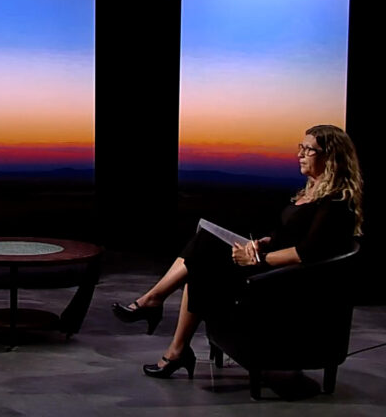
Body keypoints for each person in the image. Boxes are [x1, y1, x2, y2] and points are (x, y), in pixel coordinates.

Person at [112, 124, 364, 379]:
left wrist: (257, 258)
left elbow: (306, 253)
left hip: (282, 282)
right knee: (203, 249)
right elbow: (290, 235)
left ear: (330, 157)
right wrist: (265, 242)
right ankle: (172, 341)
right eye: (301, 147)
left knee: (203, 250)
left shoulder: (335, 202)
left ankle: (154, 306)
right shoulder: (310, 192)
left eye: (309, 149)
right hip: (271, 268)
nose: (300, 153)